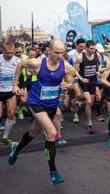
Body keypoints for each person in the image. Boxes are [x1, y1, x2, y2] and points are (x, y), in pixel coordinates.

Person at [9, 39, 74, 185]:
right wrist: (14, 85)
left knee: (33, 132)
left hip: (51, 105)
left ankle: (16, 149)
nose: (59, 55)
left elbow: (71, 80)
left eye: (62, 52)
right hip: (36, 102)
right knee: (51, 133)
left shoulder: (66, 66)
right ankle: (53, 172)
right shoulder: (38, 63)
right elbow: (20, 64)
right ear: (49, 50)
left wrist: (67, 85)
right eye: (56, 52)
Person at [74, 40, 101, 134]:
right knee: (89, 101)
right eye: (91, 48)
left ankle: (80, 104)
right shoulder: (80, 57)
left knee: (90, 103)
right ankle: (89, 124)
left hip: (93, 81)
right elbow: (75, 71)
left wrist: (98, 70)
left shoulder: (97, 55)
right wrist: (81, 79)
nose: (93, 50)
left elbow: (100, 65)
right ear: (86, 47)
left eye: (94, 48)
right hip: (84, 81)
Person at [0, 42, 21, 145]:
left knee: (11, 114)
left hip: (10, 91)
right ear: (3, 51)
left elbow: (17, 76)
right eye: (7, 53)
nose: (10, 55)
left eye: (12, 52)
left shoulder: (17, 61)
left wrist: (16, 86)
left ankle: (5, 137)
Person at [68, 38, 86, 123]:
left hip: (84, 78)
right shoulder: (70, 54)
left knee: (85, 98)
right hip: (73, 77)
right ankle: (75, 114)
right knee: (78, 95)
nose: (82, 48)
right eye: (80, 46)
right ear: (76, 45)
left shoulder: (86, 53)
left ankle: (73, 102)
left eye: (84, 46)